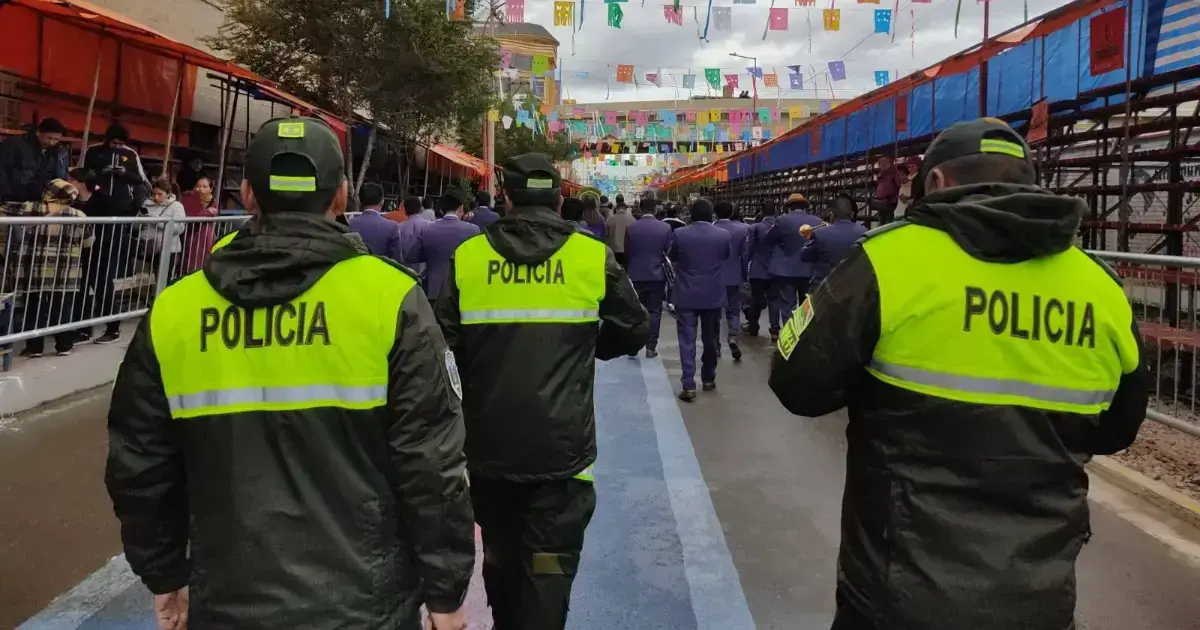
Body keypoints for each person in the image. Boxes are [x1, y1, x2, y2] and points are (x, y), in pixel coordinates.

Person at [767, 119, 1150, 630]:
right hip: (1039, 598)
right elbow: (1116, 429)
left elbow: (797, 384)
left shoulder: (888, 259)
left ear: (939, 183)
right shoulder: (1100, 287)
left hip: (896, 592)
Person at [105, 116, 475, 630]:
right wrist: (446, 594)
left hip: (229, 601)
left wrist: (165, 575)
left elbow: (140, 465)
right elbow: (431, 467)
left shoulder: (176, 310)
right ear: (341, 195)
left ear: (248, 194)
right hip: (365, 607)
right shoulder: (390, 301)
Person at [434, 153, 648, 630]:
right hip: (562, 455)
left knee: (501, 555)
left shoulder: (470, 259)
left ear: (506, 196)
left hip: (488, 453)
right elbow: (634, 328)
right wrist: (586, 346)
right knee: (549, 565)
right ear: (558, 196)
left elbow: (442, 349)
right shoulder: (590, 257)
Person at [1, 179, 90, 357]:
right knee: (62, 306)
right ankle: (64, 345)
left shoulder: (32, 208)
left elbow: (4, 209)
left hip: (34, 268)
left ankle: (34, 348)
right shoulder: (79, 215)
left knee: (33, 305)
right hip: (65, 270)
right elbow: (88, 241)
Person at [668, 198, 730, 401]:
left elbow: (673, 257)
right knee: (711, 339)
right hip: (712, 293)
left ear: (691, 214)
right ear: (711, 214)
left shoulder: (680, 234)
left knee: (686, 340)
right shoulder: (722, 235)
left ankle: (688, 384)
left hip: (686, 293)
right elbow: (725, 257)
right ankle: (709, 377)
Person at [406, 188, 478, 299]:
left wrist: (431, 255)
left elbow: (411, 255)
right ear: (460, 208)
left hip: (434, 290)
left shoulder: (428, 229)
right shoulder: (473, 230)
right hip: (463, 290)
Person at [624, 197, 674, 358]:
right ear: (654, 209)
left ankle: (633, 346)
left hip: (636, 274)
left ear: (640, 209)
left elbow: (627, 251)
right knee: (655, 311)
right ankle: (651, 346)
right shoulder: (665, 228)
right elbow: (668, 252)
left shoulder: (631, 228)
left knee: (636, 311)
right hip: (657, 275)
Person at [763, 193, 819, 326]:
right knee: (806, 306)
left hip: (786, 271)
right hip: (808, 271)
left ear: (789, 206)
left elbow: (768, 239)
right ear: (805, 206)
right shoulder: (817, 221)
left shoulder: (782, 220)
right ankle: (804, 335)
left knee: (788, 306)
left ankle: (790, 338)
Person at [800, 193, 867, 288]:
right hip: (854, 287)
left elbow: (804, 256)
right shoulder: (864, 232)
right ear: (852, 214)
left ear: (831, 214)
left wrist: (808, 239)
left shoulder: (820, 233)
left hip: (825, 289)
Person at [713, 200, 750, 362]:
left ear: (715, 213)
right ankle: (733, 336)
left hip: (714, 277)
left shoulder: (711, 229)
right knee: (734, 309)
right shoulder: (742, 230)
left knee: (714, 312)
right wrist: (744, 275)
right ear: (731, 213)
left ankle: (715, 346)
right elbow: (745, 256)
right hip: (734, 275)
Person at [0, 117, 69, 203]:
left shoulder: (59, 151)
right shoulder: (12, 145)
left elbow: (59, 176)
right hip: (13, 199)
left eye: (56, 139)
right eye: (49, 138)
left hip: (41, 200)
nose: (52, 143)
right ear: (38, 132)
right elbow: (2, 171)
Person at [138, 179, 187, 281]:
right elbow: (138, 222)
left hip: (168, 249)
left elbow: (180, 228)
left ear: (168, 194)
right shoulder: (147, 203)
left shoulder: (176, 206)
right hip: (148, 246)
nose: (156, 197)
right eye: (154, 194)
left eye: (160, 194)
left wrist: (158, 221)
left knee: (164, 279)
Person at [742, 206, 779, 340]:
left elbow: (748, 250)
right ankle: (774, 330)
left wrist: (744, 268)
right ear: (775, 212)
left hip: (758, 270)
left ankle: (753, 326)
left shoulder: (755, 228)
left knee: (756, 299)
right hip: (775, 270)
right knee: (774, 301)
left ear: (761, 212)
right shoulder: (780, 227)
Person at [348, 182, 403, 261]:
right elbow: (397, 261)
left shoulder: (349, 224)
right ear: (382, 201)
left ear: (360, 201)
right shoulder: (392, 227)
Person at [180, 175, 220, 273]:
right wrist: (208, 212)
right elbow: (194, 214)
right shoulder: (188, 197)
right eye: (198, 186)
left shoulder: (213, 201)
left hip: (206, 238)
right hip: (191, 237)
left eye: (204, 186)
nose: (200, 189)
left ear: (210, 189)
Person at [395, 195, 433, 276]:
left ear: (405, 209)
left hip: (405, 269)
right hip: (424, 270)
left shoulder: (399, 227)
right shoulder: (429, 225)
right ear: (420, 208)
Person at [868, 155, 906, 227]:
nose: (881, 166)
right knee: (882, 222)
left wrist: (894, 200)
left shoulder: (894, 174)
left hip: (890, 204)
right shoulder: (882, 176)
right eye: (880, 164)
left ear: (887, 164)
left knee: (888, 223)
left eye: (882, 164)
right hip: (882, 203)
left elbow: (901, 188)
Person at [605, 193, 636, 267]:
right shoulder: (632, 219)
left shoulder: (610, 219)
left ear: (617, 208)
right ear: (625, 209)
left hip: (613, 250)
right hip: (627, 249)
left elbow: (606, 235)